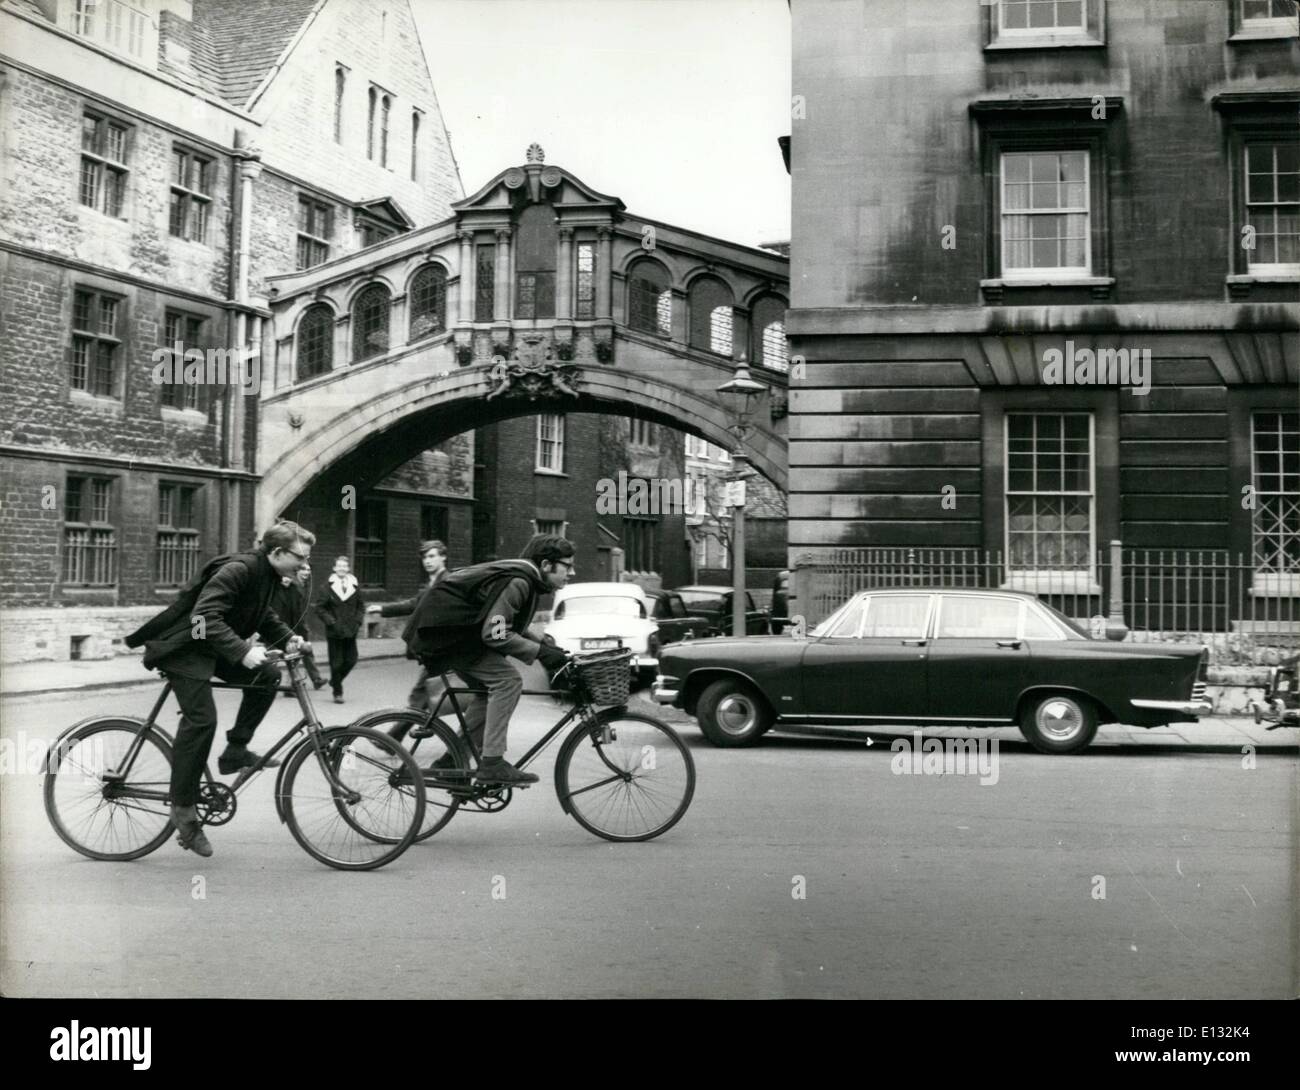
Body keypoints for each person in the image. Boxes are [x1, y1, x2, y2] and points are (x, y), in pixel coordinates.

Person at [124, 520, 315, 857]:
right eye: (300, 557)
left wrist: (290, 638)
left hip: (210, 647)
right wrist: (242, 652)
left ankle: (235, 751)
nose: (305, 564)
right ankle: (183, 810)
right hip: (185, 647)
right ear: (276, 552)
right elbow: (203, 618)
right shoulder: (239, 570)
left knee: (268, 676)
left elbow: (261, 615)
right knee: (201, 720)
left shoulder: (268, 575)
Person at [403, 534, 575, 785]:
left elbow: (506, 623)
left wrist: (545, 648)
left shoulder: (527, 578)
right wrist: (539, 653)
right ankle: (492, 763)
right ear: (547, 565)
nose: (571, 572)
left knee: (488, 691)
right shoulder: (520, 581)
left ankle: (451, 762)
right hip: (446, 638)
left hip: (452, 635)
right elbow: (495, 633)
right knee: (507, 681)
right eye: (567, 566)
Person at [369, 539, 451, 736]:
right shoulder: (432, 583)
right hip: (436, 650)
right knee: (424, 695)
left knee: (420, 695)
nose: (427, 561)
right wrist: (383, 608)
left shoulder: (446, 581)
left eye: (432, 556)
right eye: (424, 557)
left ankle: (395, 737)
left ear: (443, 557)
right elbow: (413, 604)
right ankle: (405, 733)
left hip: (439, 650)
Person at [315, 555, 367, 704]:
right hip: (334, 631)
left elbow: (361, 606)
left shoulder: (355, 586)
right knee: (336, 663)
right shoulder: (326, 587)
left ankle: (334, 681)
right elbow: (320, 608)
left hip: (351, 630)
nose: (342, 569)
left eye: (345, 566)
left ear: (348, 568)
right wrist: (331, 622)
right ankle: (338, 692)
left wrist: (357, 621)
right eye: (339, 566)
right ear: (334, 568)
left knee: (351, 660)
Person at [272, 562, 328, 695]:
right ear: (295, 571)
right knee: (275, 655)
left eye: (308, 570)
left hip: (296, 625)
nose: (306, 573)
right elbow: (285, 608)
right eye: (303, 569)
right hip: (282, 626)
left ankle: (313, 680)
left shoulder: (304, 586)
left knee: (303, 652)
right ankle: (262, 681)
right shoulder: (288, 586)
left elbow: (299, 610)